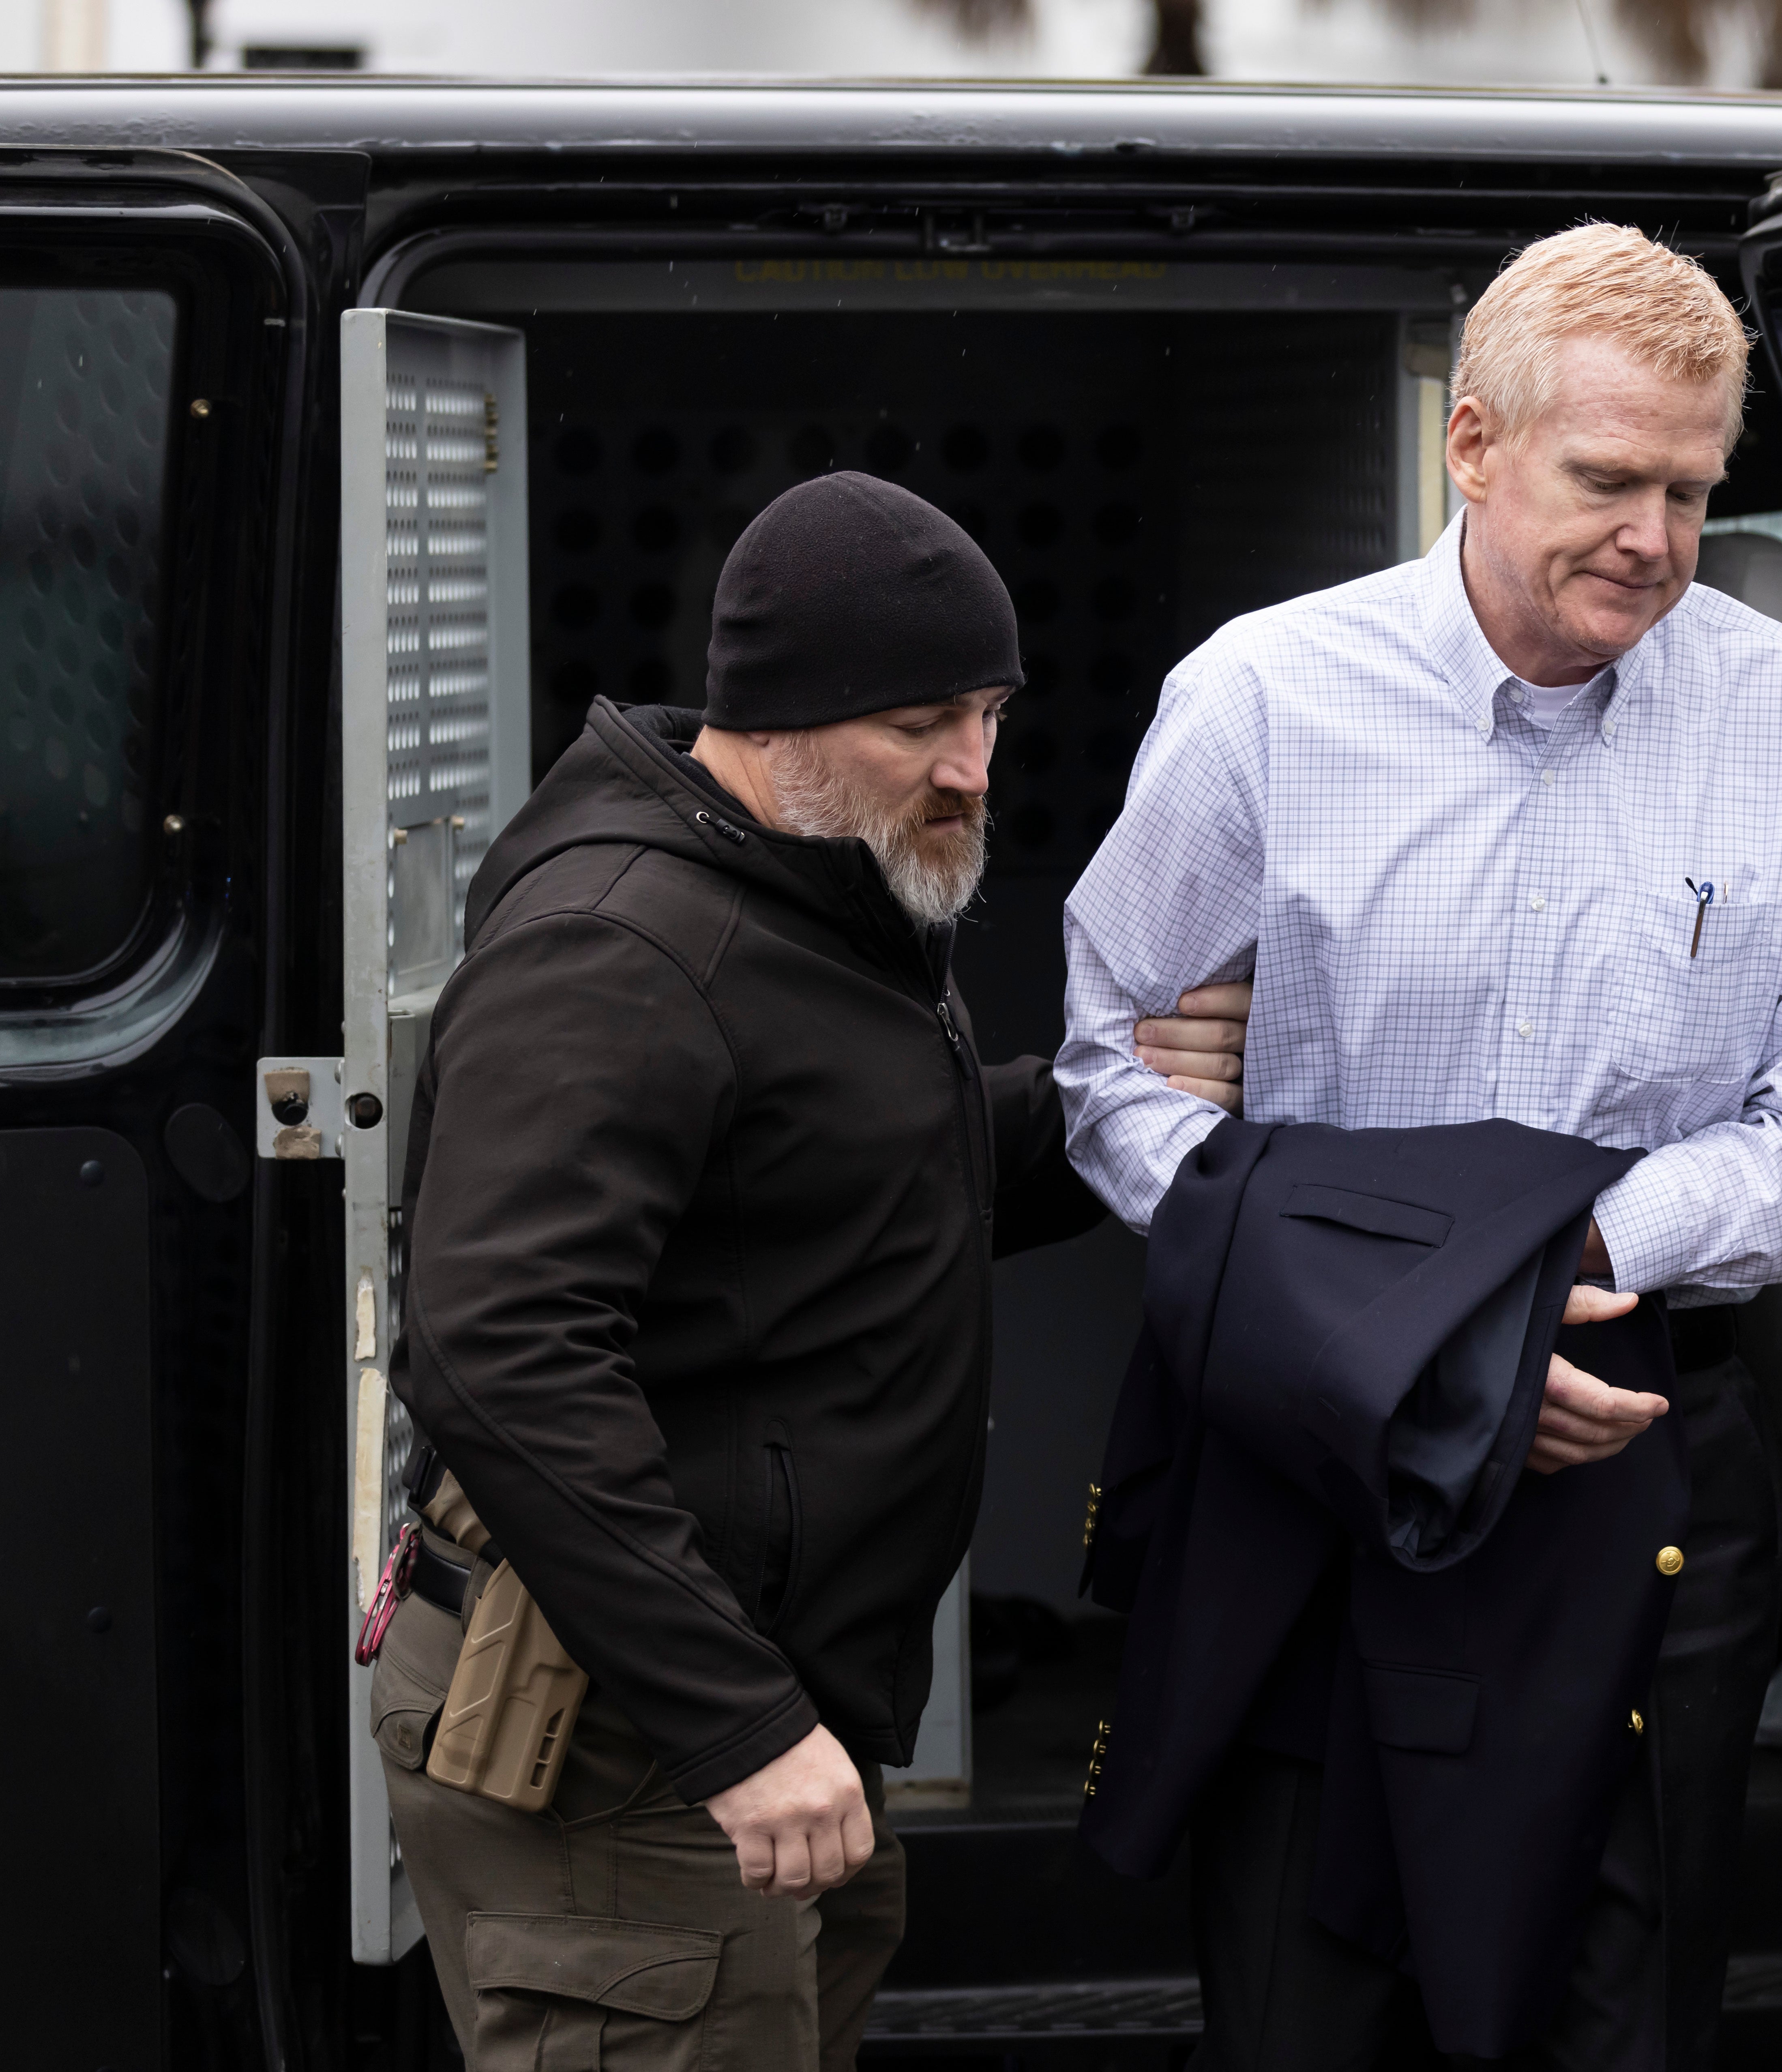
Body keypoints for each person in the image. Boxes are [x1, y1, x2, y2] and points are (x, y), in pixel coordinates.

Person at [1059, 223, 1782, 2068]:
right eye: (1608, 481)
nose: (1659, 545)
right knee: (1308, 2022)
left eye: (1694, 493)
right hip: (1311, 1462)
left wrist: (1536, 1286)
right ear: (1470, 446)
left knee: (1615, 2030)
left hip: (1637, 1445)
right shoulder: (1262, 704)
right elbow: (1106, 1081)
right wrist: (1420, 1342)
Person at [375, 471, 1250, 2072]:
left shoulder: (802, 899)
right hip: (630, 1733)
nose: (972, 769)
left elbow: (841, 1185)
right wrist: (739, 1724)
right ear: (774, 715)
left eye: (990, 714)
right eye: (922, 723)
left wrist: (1115, 1098)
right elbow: (501, 1353)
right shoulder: (626, 949)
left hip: (739, 1704)